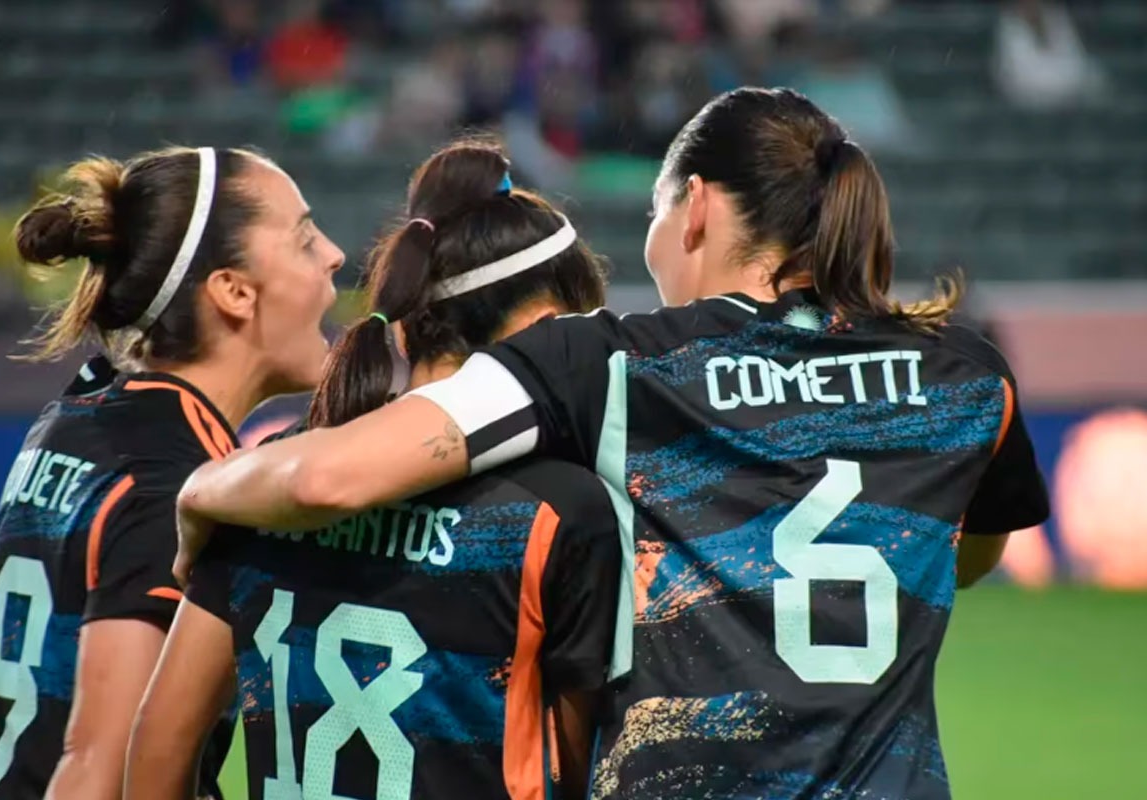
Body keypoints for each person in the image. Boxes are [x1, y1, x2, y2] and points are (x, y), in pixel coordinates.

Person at [173, 88, 1052, 799]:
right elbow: (964, 556)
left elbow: (332, 476)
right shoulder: (967, 377)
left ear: (696, 208)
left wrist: (201, 493)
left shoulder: (613, 363)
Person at [125, 141, 622, 800]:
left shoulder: (257, 492)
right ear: (551, 329)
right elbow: (580, 770)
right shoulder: (562, 512)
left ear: (408, 329)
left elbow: (159, 743)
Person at [0, 145, 344, 800]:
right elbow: (97, 777)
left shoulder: (74, 416)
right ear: (234, 291)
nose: (333, 254)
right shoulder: (174, 489)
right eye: (304, 240)